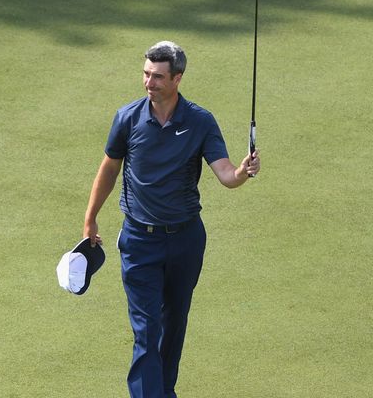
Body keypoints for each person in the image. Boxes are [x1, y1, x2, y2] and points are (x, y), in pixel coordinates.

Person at [83, 41, 260, 398]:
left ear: (177, 78)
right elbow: (109, 169)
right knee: (146, 329)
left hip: (185, 240)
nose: (149, 82)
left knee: (173, 324)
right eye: (146, 74)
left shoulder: (200, 121)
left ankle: (163, 391)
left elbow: (225, 174)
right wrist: (91, 220)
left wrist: (242, 171)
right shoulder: (128, 118)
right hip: (139, 239)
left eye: (158, 77)